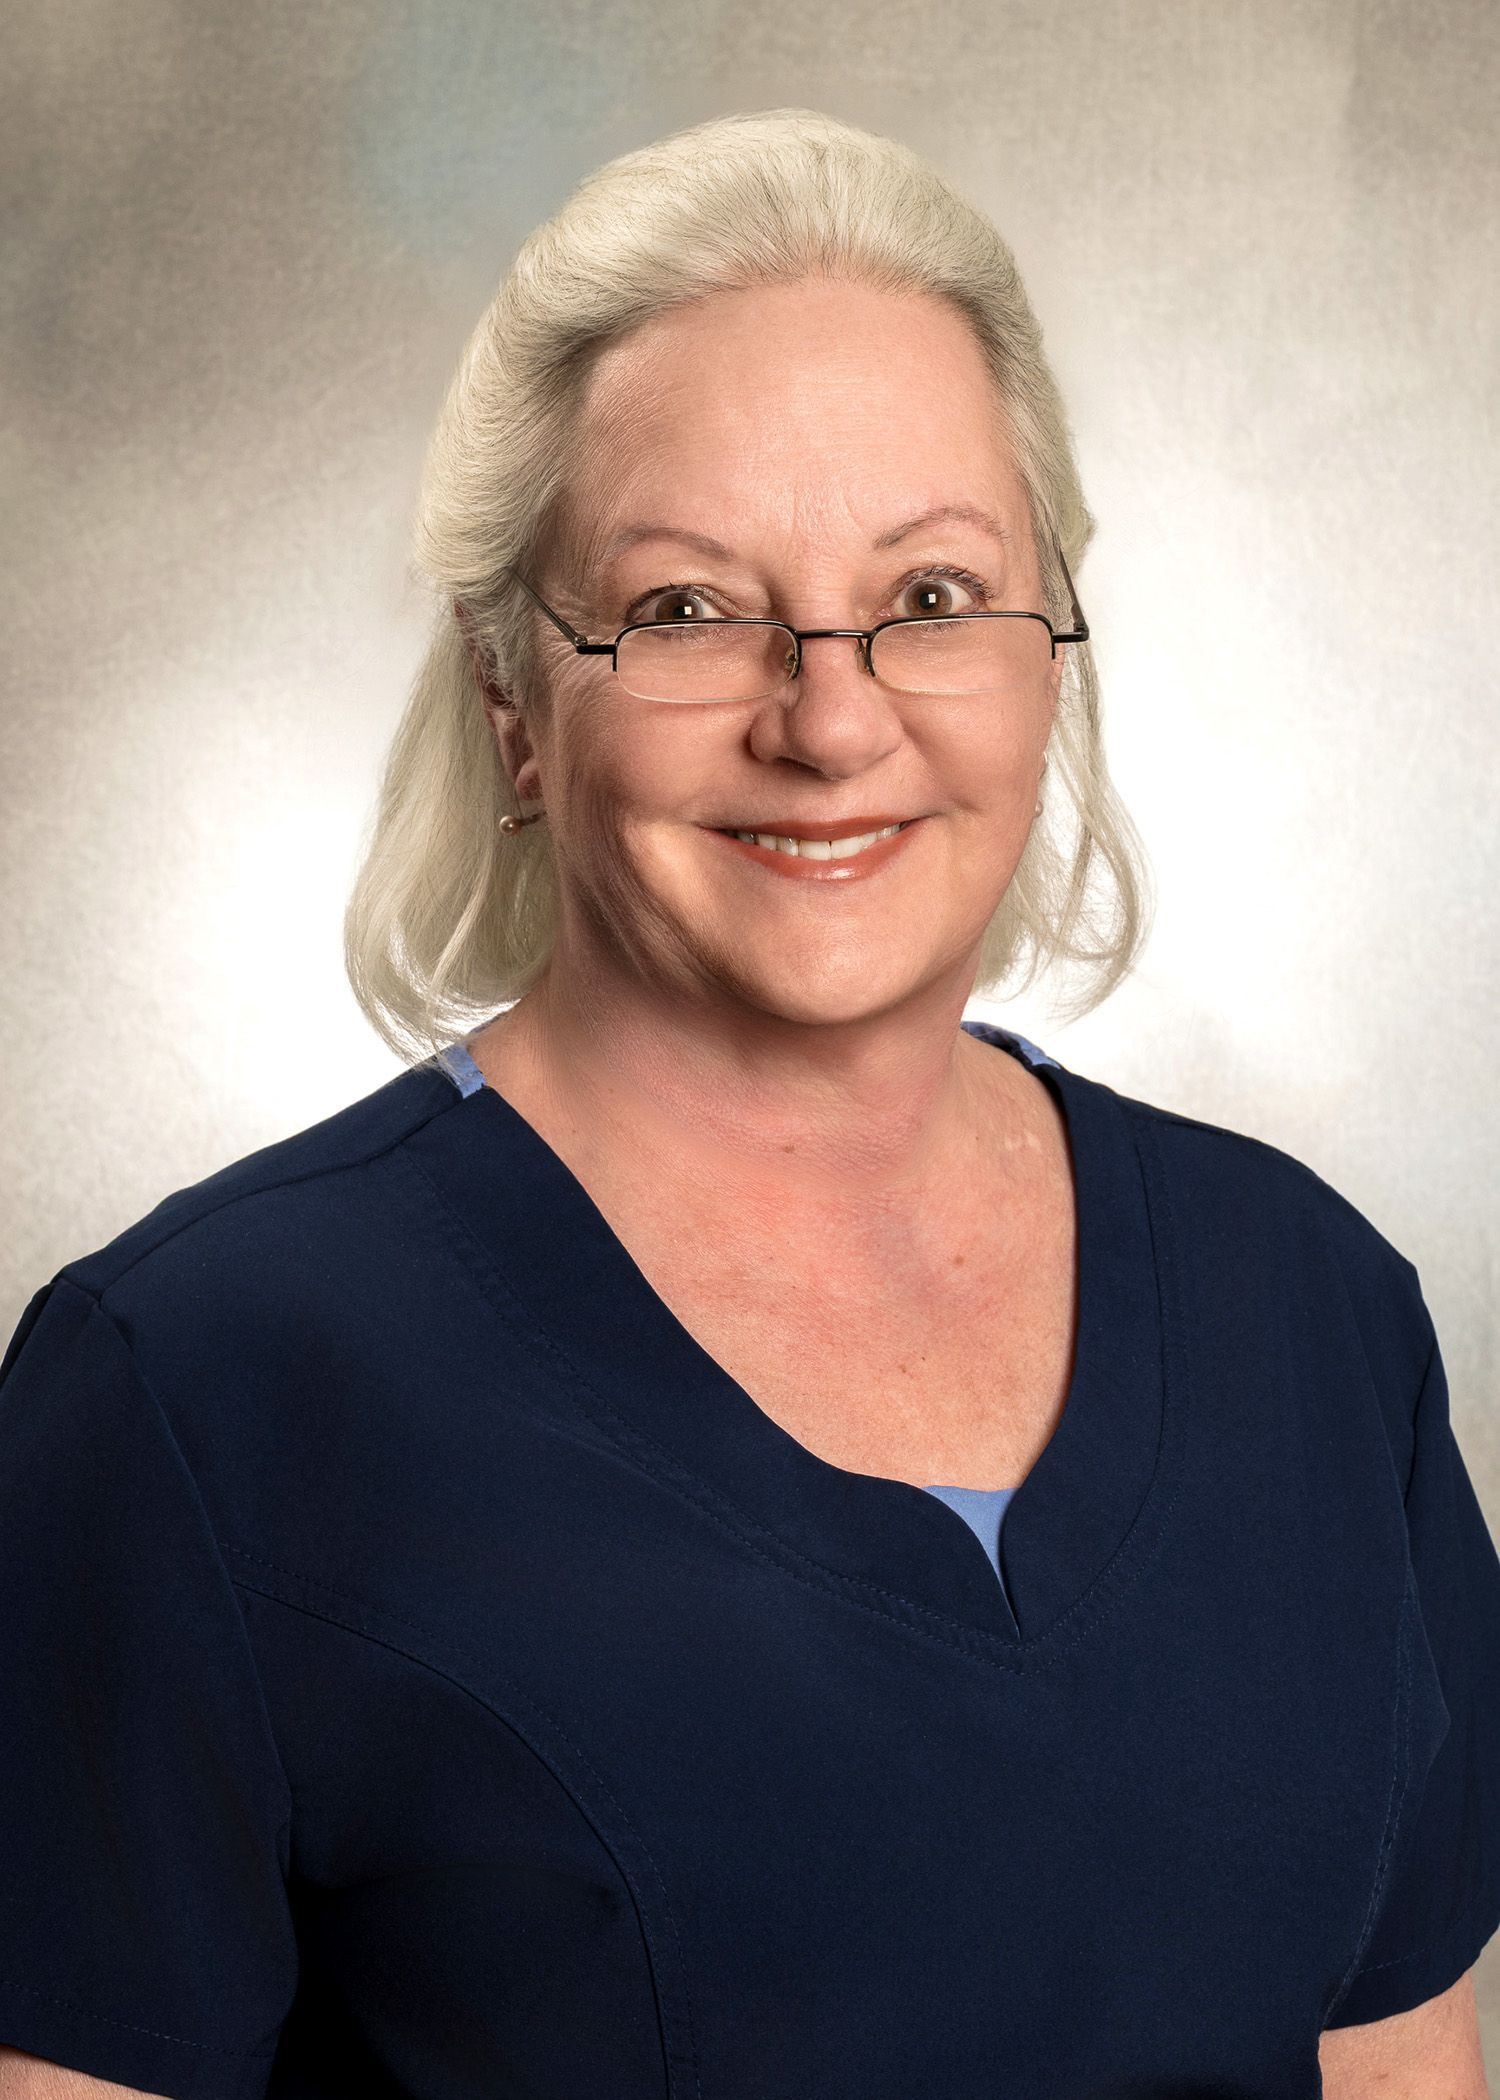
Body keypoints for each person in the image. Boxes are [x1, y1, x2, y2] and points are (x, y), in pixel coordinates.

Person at [0, 106, 1496, 2100]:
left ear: (1051, 658)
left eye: (936, 593)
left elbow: (1404, 2065)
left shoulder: (1311, 1314)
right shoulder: (192, 1395)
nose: (834, 714)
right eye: (694, 608)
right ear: (515, 703)